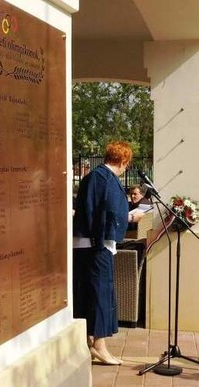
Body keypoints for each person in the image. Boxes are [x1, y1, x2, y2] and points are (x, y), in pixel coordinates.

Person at [73, 141, 141, 365]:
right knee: (99, 293)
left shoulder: (102, 178)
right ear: (123, 161)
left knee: (95, 292)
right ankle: (99, 346)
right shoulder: (101, 178)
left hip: (96, 243)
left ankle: (91, 340)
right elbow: (100, 211)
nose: (126, 168)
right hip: (95, 245)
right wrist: (129, 219)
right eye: (127, 164)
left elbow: (107, 210)